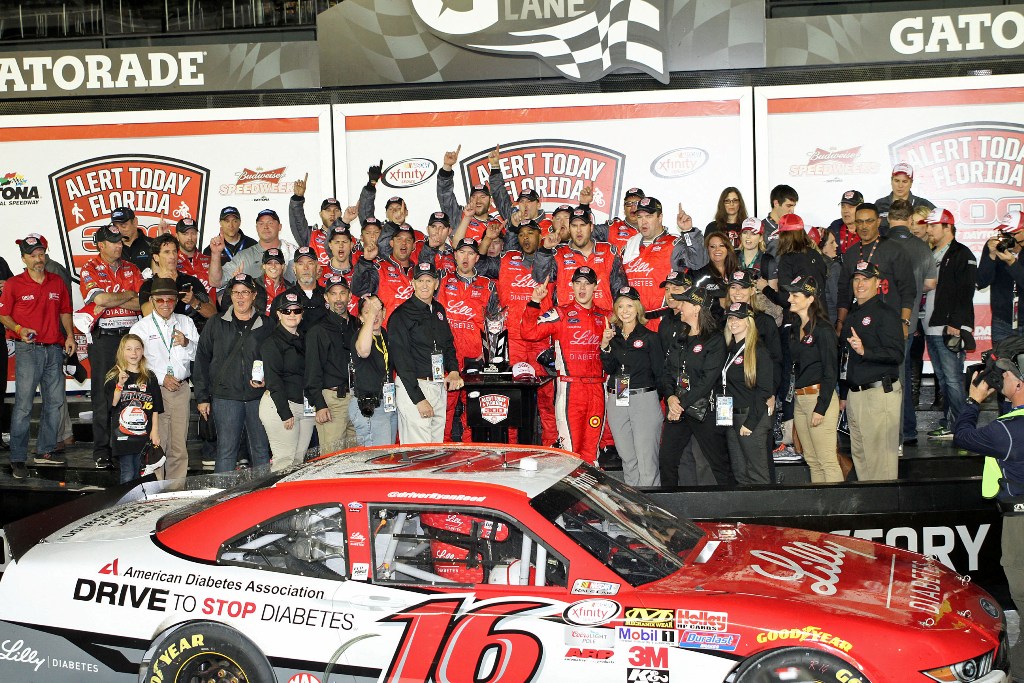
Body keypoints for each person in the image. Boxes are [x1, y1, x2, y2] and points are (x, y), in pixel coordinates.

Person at [952, 335, 1024, 675]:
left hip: (1019, 525)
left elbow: (962, 436)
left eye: (1005, 376)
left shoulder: (1004, 432)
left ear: (1019, 383)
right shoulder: (1008, 428)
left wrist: (972, 400)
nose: (1000, 379)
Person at [476, 218, 558, 446]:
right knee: (513, 397)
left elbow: (546, 280)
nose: (525, 238)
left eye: (531, 233)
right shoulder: (505, 260)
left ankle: (551, 445)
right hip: (513, 339)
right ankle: (514, 447)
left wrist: (546, 250)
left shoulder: (553, 258)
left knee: (546, 397)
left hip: (541, 337)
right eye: (521, 234)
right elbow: (479, 267)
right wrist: (487, 240)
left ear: (539, 236)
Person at [0, 235, 76, 478]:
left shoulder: (56, 282)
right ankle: (18, 458)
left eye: (41, 254)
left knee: (54, 403)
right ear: (23, 258)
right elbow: (3, 315)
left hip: (54, 349)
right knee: (23, 406)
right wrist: (20, 330)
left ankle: (44, 451)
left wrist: (71, 337)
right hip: (28, 350)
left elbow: (65, 311)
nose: (38, 259)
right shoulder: (14, 284)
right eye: (33, 255)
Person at [522, 266, 609, 463]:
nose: (582, 288)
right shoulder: (560, 313)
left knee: (592, 452)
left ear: (596, 287)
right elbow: (528, 333)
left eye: (587, 283)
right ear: (571, 285)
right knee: (571, 452)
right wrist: (535, 302)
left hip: (597, 388)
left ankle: (589, 492)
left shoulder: (605, 317)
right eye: (578, 283)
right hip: (571, 388)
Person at [193, 273, 273, 473]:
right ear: (230, 295)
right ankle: (222, 498)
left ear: (254, 295)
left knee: (261, 451)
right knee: (226, 452)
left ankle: (262, 498)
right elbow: (201, 359)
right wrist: (202, 397)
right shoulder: (216, 323)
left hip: (258, 397)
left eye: (245, 292)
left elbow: (277, 360)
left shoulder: (266, 324)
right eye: (236, 292)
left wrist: (268, 381)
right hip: (226, 397)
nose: (240, 297)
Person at [80, 224, 143, 469]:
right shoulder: (89, 268)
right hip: (105, 338)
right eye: (114, 242)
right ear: (100, 245)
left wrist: (118, 298)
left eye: (121, 241)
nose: (119, 245)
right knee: (103, 395)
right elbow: (100, 299)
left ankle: (129, 445)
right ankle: (102, 450)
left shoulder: (132, 267)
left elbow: (142, 304)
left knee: (133, 392)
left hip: (131, 337)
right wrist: (128, 294)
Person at [840, 261, 905, 481]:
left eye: (866, 279)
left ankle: (885, 511)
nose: (860, 284)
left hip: (878, 393)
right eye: (856, 279)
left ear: (878, 283)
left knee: (881, 465)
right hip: (855, 394)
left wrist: (865, 350)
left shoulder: (885, 313)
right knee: (862, 458)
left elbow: (897, 354)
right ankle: (870, 510)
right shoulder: (853, 314)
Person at [129, 277, 199, 481]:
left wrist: (187, 343)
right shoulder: (141, 328)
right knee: (157, 444)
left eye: (170, 299)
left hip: (180, 388)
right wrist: (161, 378)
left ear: (176, 301)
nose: (166, 304)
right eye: (160, 300)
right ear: (151, 300)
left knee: (179, 446)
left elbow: (200, 355)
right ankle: (157, 491)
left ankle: (175, 493)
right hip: (153, 391)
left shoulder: (186, 322)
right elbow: (134, 363)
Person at [659, 287, 729, 486]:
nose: (680, 307)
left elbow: (707, 381)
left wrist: (679, 404)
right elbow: (668, 371)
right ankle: (670, 508)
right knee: (667, 459)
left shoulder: (714, 340)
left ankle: (731, 511)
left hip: (704, 410)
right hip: (678, 408)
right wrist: (670, 397)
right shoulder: (680, 336)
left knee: (717, 463)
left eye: (685, 303)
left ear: (697, 308)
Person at [389, 262, 463, 443]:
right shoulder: (401, 315)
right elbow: (401, 362)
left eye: (428, 280)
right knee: (418, 451)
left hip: (437, 386)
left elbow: (447, 344)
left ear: (436, 284)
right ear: (412, 283)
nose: (424, 285)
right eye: (420, 280)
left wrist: (453, 370)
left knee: (435, 449)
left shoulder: (438, 310)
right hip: (414, 387)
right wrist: (418, 399)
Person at [599, 286, 665, 486]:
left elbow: (660, 373)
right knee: (628, 459)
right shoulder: (614, 338)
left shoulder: (650, 337)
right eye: (620, 306)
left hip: (643, 397)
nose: (625, 310)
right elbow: (610, 368)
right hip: (618, 394)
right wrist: (604, 346)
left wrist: (655, 400)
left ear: (638, 308)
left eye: (629, 305)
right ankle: (633, 510)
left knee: (647, 462)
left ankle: (650, 512)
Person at [435, 237, 498, 441]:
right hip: (447, 355)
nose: (466, 257)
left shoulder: (488, 286)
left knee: (474, 409)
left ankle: (471, 451)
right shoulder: (442, 279)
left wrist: (489, 357)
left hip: (475, 357)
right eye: (462, 252)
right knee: (444, 407)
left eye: (471, 253)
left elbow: (495, 326)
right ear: (454, 255)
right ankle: (441, 450)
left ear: (477, 258)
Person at [922, 208, 977, 440]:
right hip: (931, 325)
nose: (929, 230)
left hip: (948, 327)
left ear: (947, 227)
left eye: (933, 225)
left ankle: (963, 428)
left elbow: (966, 291)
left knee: (953, 380)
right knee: (943, 380)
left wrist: (956, 322)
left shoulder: (962, 253)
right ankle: (951, 423)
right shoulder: (933, 253)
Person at [886, 199, 938, 446]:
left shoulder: (881, 245)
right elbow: (930, 283)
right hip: (909, 321)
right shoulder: (921, 247)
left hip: (882, 321)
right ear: (909, 220)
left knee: (883, 376)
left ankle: (890, 432)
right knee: (903, 376)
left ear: (888, 220)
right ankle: (907, 431)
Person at [784, 275, 842, 483]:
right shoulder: (794, 328)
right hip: (801, 399)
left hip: (819, 397)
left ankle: (838, 511)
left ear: (810, 299)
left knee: (826, 459)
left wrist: (821, 407)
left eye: (795, 295)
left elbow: (830, 370)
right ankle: (823, 509)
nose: (790, 299)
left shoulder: (823, 330)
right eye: (790, 294)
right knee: (811, 459)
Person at [835, 203, 915, 339]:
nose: (864, 226)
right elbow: (844, 293)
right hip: (857, 325)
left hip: (889, 325)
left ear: (878, 222)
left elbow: (908, 290)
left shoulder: (895, 250)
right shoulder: (850, 254)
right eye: (859, 222)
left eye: (869, 221)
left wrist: (904, 323)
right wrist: (840, 323)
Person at [621, 196, 706, 320]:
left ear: (660, 218)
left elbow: (698, 262)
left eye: (649, 216)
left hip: (664, 320)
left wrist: (688, 231)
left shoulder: (674, 244)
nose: (643, 222)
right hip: (634, 321)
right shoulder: (629, 245)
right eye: (640, 217)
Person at [259, 291, 316, 470]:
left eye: (296, 310)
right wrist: (285, 412)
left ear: (302, 313)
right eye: (286, 311)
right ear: (278, 314)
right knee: (284, 462)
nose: (292, 315)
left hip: (305, 407)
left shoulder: (306, 338)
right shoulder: (271, 342)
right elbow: (273, 380)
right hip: (280, 406)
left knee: (298, 463)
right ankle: (274, 499)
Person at [533, 207, 627, 307]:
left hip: (602, 319)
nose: (578, 230)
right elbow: (540, 277)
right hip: (567, 319)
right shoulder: (558, 253)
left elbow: (620, 290)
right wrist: (545, 249)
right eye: (574, 226)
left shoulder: (608, 252)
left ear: (591, 227)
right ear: (569, 228)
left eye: (583, 225)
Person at [721, 302, 773, 484]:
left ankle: (765, 511)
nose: (733, 322)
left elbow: (765, 390)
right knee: (740, 473)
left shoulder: (758, 350)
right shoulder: (730, 349)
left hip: (751, 418)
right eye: (730, 318)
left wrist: (750, 423)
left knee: (757, 474)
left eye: (739, 318)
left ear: (749, 321)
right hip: (732, 418)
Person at [305, 274, 358, 452]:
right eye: (333, 294)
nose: (338, 299)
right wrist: (319, 404)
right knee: (331, 459)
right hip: (333, 400)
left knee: (356, 459)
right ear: (326, 297)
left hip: (357, 398)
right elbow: (312, 371)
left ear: (350, 295)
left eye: (342, 293)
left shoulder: (357, 325)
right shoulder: (318, 330)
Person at [103, 334, 162, 484]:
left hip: (143, 435)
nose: (133, 353)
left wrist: (155, 431)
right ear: (121, 352)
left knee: (140, 473)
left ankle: (139, 503)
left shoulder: (149, 377)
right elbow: (112, 403)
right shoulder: (114, 376)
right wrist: (120, 385)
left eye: (137, 349)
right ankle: (126, 504)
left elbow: (155, 407)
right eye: (129, 349)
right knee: (128, 472)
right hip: (123, 437)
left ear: (143, 351)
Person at [438, 144, 514, 241]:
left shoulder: (498, 224)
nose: (478, 200)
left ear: (490, 201)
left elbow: (500, 194)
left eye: (483, 197)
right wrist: (447, 167)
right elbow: (445, 194)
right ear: (469, 200)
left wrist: (495, 166)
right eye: (474, 197)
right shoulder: (458, 217)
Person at [350, 294, 398, 446]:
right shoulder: (360, 335)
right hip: (370, 406)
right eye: (368, 312)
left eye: (378, 311)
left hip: (387, 403)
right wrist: (371, 316)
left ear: (384, 313)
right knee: (375, 461)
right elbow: (364, 351)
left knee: (386, 458)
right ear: (361, 317)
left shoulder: (384, 334)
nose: (374, 316)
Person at [209, 208, 298, 286]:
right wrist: (216, 253)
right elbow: (216, 282)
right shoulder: (244, 256)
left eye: (270, 223)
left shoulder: (292, 253)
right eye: (261, 224)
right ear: (256, 228)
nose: (265, 227)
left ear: (280, 227)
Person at [138, 233, 216, 322]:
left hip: (191, 331)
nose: (172, 256)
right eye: (167, 252)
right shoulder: (148, 285)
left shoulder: (190, 281)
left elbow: (213, 313)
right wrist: (161, 286)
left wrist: (194, 302)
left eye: (174, 251)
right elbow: (146, 313)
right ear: (156, 257)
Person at [351, 224, 418, 325]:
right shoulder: (379, 268)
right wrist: (366, 260)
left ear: (413, 246)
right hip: (387, 334)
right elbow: (358, 289)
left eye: (408, 240)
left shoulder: (419, 272)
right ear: (391, 243)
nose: (403, 243)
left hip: (413, 335)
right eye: (399, 239)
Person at [978, 211, 1024, 345]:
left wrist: (1012, 263)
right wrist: (991, 256)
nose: (1007, 237)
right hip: (1002, 321)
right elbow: (981, 282)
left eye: (1012, 234)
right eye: (1004, 233)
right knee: (999, 364)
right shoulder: (996, 247)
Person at [874, 162, 936, 232]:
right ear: (891, 181)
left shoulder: (924, 205)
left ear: (911, 183)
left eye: (904, 181)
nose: (900, 185)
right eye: (897, 181)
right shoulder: (879, 204)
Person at [280, 246, 328, 332]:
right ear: (294, 269)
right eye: (301, 264)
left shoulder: (330, 296)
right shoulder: (281, 300)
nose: (306, 268)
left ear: (317, 267)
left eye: (310, 263)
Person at [111, 206, 152, 272]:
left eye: (123, 225)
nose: (120, 230)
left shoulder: (152, 244)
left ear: (135, 222)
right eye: (116, 226)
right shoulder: (111, 249)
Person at [761, 184, 799, 253]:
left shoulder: (795, 228)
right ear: (776, 203)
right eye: (788, 206)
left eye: (793, 206)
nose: (792, 211)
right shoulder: (761, 228)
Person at [825, 190, 863, 255]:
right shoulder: (833, 229)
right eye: (843, 206)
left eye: (850, 207)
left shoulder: (871, 232)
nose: (845, 210)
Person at [817, 230, 841, 324]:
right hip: (832, 320)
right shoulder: (833, 267)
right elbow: (838, 299)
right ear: (822, 247)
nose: (836, 245)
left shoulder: (811, 263)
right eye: (832, 242)